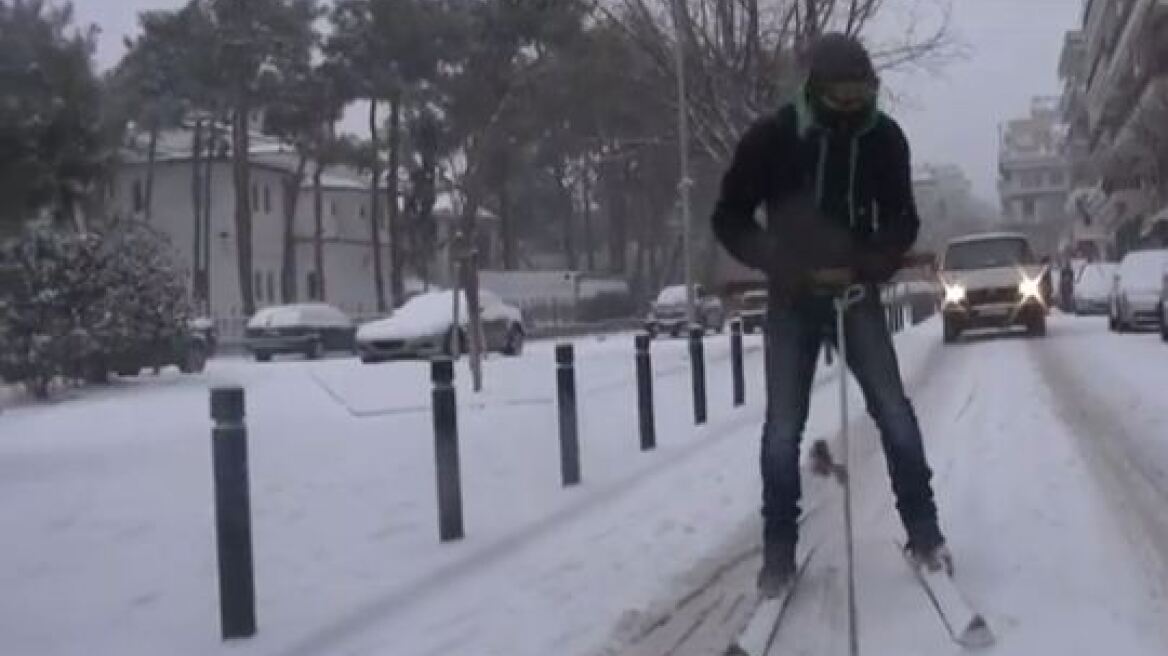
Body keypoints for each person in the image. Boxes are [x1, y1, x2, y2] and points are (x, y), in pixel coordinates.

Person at [710, 33, 949, 597]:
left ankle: (925, 533)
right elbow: (730, 217)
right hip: (792, 300)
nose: (851, 105)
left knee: (894, 412)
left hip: (855, 296)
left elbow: (903, 219)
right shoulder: (773, 138)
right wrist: (777, 260)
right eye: (839, 94)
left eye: (860, 92)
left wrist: (876, 259)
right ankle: (778, 553)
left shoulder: (885, 140)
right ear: (815, 89)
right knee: (782, 429)